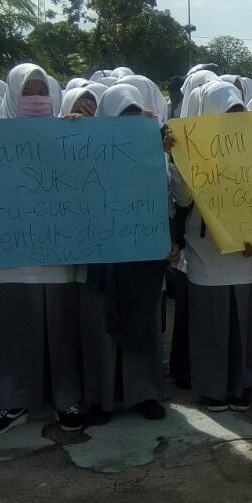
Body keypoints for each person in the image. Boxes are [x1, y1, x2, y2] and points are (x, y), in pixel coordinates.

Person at [0, 64, 85, 435]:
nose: (36, 99)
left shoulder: (72, 132)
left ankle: (66, 400)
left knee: (62, 334)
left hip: (57, 261)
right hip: (6, 260)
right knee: (7, 334)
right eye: (28, 91)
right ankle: (10, 402)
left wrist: (84, 133)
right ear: (12, 95)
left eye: (42, 90)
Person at [74, 83, 171, 422]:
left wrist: (170, 150)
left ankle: (144, 395)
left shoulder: (157, 152)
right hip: (101, 257)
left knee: (142, 326)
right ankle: (101, 399)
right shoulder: (85, 148)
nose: (129, 126)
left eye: (135, 117)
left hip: (143, 256)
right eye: (122, 118)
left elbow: (175, 200)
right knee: (100, 328)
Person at [170, 80, 252, 412]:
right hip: (208, 250)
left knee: (245, 321)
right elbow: (183, 198)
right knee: (211, 321)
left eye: (237, 113)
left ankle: (243, 384)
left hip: (249, 249)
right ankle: (213, 387)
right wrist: (178, 157)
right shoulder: (190, 147)